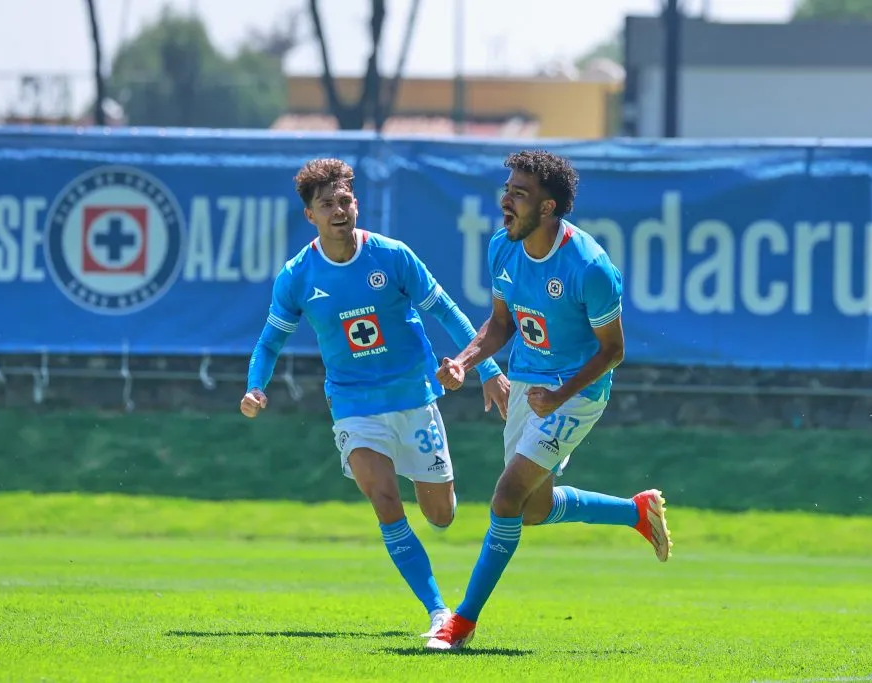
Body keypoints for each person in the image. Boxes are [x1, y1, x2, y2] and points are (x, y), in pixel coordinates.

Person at [240, 158, 510, 639]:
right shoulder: (297, 276)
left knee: (441, 517)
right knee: (385, 500)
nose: (338, 210)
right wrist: (254, 385)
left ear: (355, 204)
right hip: (353, 405)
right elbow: (269, 342)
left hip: (414, 398)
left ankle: (429, 497)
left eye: (344, 201)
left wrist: (485, 369)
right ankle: (438, 612)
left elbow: (445, 312)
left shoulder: (393, 256)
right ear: (310, 215)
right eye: (327, 205)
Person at [425, 150, 672, 651]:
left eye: (519, 193)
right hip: (526, 385)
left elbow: (614, 351)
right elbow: (500, 325)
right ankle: (635, 513)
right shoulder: (502, 248)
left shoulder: (590, 267)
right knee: (532, 511)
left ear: (548, 207)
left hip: (576, 395)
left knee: (505, 497)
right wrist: (463, 363)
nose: (506, 200)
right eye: (507, 189)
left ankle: (461, 623)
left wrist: (560, 395)